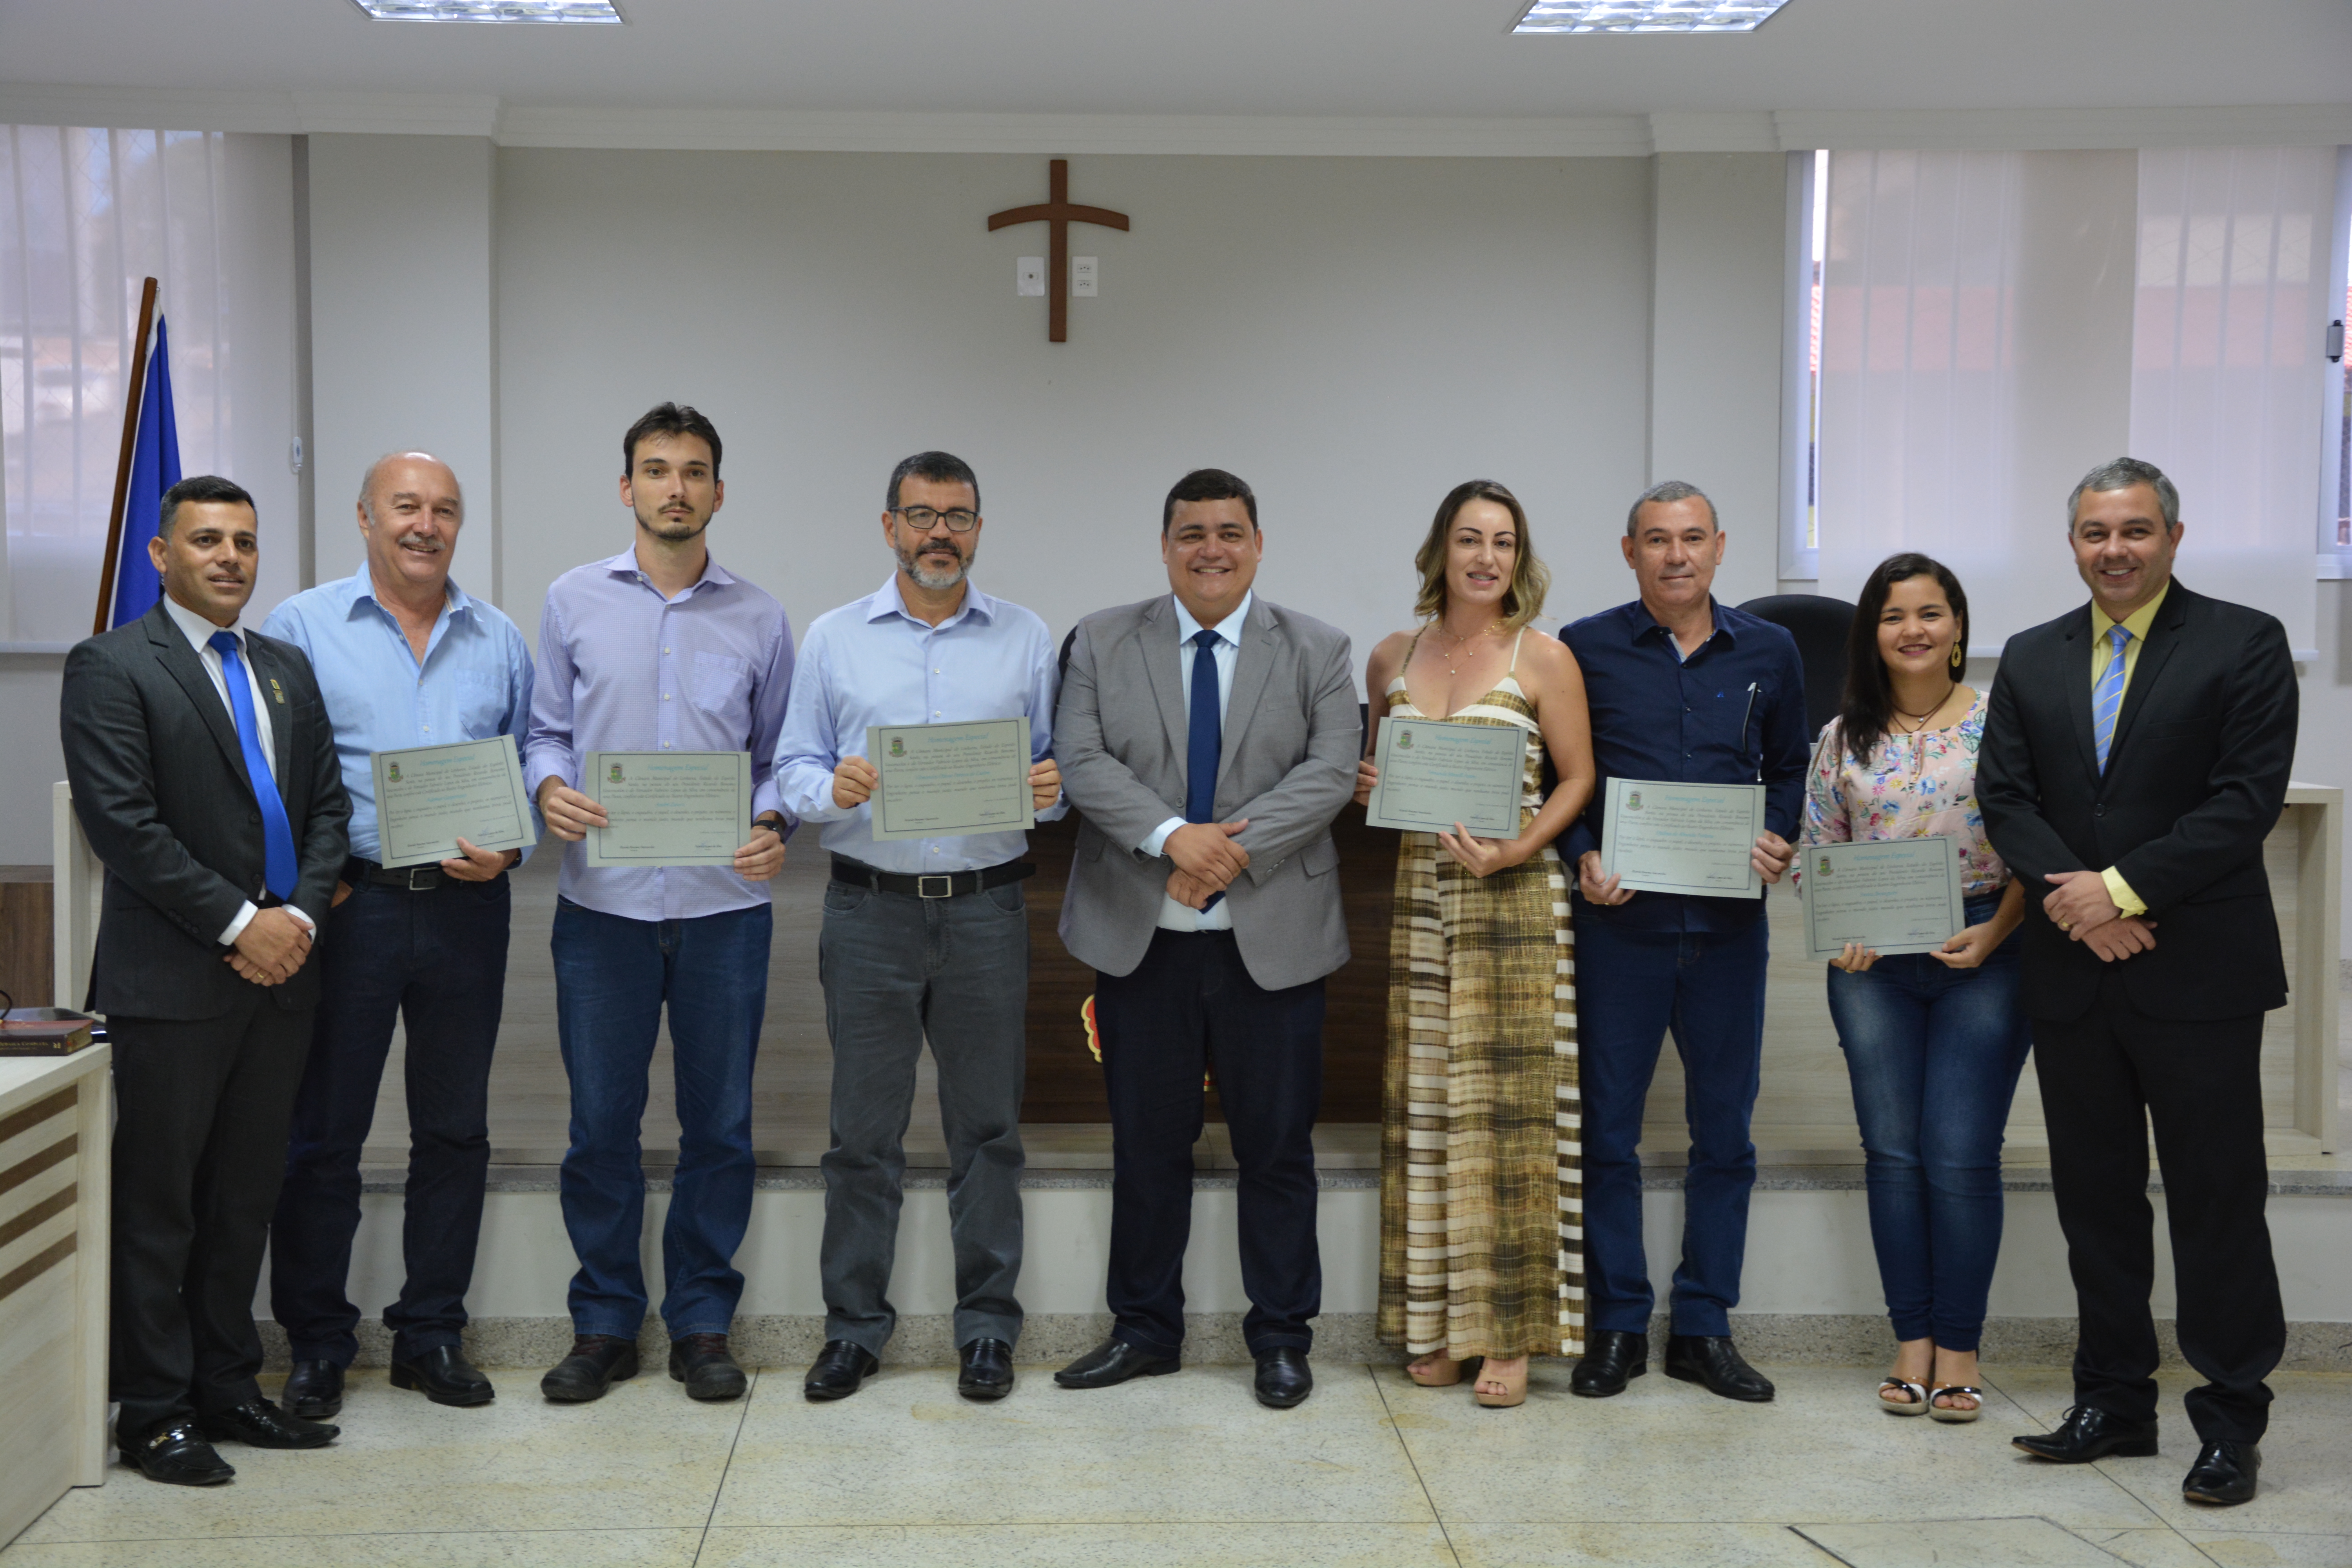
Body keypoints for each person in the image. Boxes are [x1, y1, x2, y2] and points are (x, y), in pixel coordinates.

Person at [1979, 457, 2294, 1506]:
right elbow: (2007, 798)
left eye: (2135, 530)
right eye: (2095, 533)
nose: (2115, 549)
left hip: (2197, 970)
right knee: (2096, 1200)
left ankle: (2230, 1421)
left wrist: (2114, 890)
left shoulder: (2244, 642)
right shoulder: (2030, 657)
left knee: (2216, 1199)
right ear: (2071, 542)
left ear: (2173, 535)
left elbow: (2243, 802)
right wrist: (2081, 904)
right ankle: (2113, 1403)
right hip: (2076, 975)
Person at [60, 475, 351, 1484]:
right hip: (173, 980)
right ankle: (152, 1411)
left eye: (245, 542)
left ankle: (229, 1386)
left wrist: (300, 916)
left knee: (242, 1197)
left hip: (281, 976)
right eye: (208, 540)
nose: (230, 558)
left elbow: (326, 811)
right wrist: (242, 921)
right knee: (160, 1202)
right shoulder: (110, 666)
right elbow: (123, 825)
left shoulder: (283, 669)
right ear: (162, 553)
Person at [1051, 468, 1357, 1410]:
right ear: (1165, 545)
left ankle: (1281, 1336)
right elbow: (1082, 756)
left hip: (1273, 940)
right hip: (1142, 939)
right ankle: (1145, 1329)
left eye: (1229, 531)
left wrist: (1223, 851)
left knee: (1277, 1148)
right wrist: (1168, 838)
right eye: (1192, 533)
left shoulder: (1318, 647)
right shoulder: (1102, 640)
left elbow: (1333, 768)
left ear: (1258, 544)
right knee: (1148, 1145)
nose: (1211, 548)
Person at [774, 451, 1064, 1404]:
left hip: (986, 908)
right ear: (889, 524)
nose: (941, 532)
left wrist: (1050, 791)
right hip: (870, 911)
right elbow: (792, 770)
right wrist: (831, 787)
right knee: (863, 1135)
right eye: (922, 514)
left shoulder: (1026, 639)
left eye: (959, 516)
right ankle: (854, 1330)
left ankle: (987, 1330)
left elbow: (1055, 778)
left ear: (980, 528)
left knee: (989, 1131)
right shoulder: (833, 637)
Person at [522, 403, 794, 1405]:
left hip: (726, 906)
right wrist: (550, 787)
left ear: (720, 491)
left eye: (694, 471)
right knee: (602, 1124)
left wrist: (775, 820)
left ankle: (702, 1323)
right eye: (656, 469)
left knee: (719, 1125)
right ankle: (602, 1323)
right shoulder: (571, 600)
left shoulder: (761, 616)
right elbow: (544, 731)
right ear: (625, 486)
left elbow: (778, 759)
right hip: (603, 907)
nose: (675, 487)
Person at [259, 452, 536, 1420]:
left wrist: (514, 845)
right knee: (323, 1132)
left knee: (455, 1129)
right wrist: (300, 882)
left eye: (445, 510)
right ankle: (318, 1342)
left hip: (467, 908)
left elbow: (528, 759)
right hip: (352, 909)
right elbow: (270, 767)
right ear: (366, 517)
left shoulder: (497, 636)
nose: (427, 524)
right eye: (407, 506)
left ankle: (431, 1333)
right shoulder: (300, 626)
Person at [1558, 479, 1806, 1404]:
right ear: (1629, 552)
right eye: (1656, 539)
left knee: (1725, 1136)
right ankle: (1618, 1322)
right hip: (1620, 928)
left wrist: (1779, 831)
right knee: (1609, 1135)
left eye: (1692, 538)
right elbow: (1558, 775)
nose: (1676, 555)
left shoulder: (1771, 650)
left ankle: (1704, 1325)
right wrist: (1583, 855)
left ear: (1720, 546)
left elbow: (1788, 766)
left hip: (1729, 929)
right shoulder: (1582, 647)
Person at [1355, 480, 1595, 1409]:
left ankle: (1508, 1334)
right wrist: (1371, 781)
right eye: (1468, 539)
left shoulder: (1544, 656)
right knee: (1427, 1113)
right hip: (1422, 903)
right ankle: (1435, 1325)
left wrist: (1519, 850)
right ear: (1441, 551)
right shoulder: (1390, 654)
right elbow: (1380, 786)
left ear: (1519, 557)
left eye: (1502, 541)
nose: (1485, 557)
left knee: (1513, 1123)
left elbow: (1577, 779)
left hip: (1517, 903)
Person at [1798, 553, 2030, 1423]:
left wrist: (1999, 928)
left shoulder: (2004, 722)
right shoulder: (1841, 735)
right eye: (1895, 616)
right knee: (1893, 1153)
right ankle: (1912, 1345)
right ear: (1873, 632)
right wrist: (1840, 930)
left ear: (1960, 627)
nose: (1914, 630)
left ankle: (1961, 1347)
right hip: (1874, 966)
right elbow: (1819, 847)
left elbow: (2036, 843)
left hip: (1986, 946)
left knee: (1961, 1151)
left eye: (1932, 613)